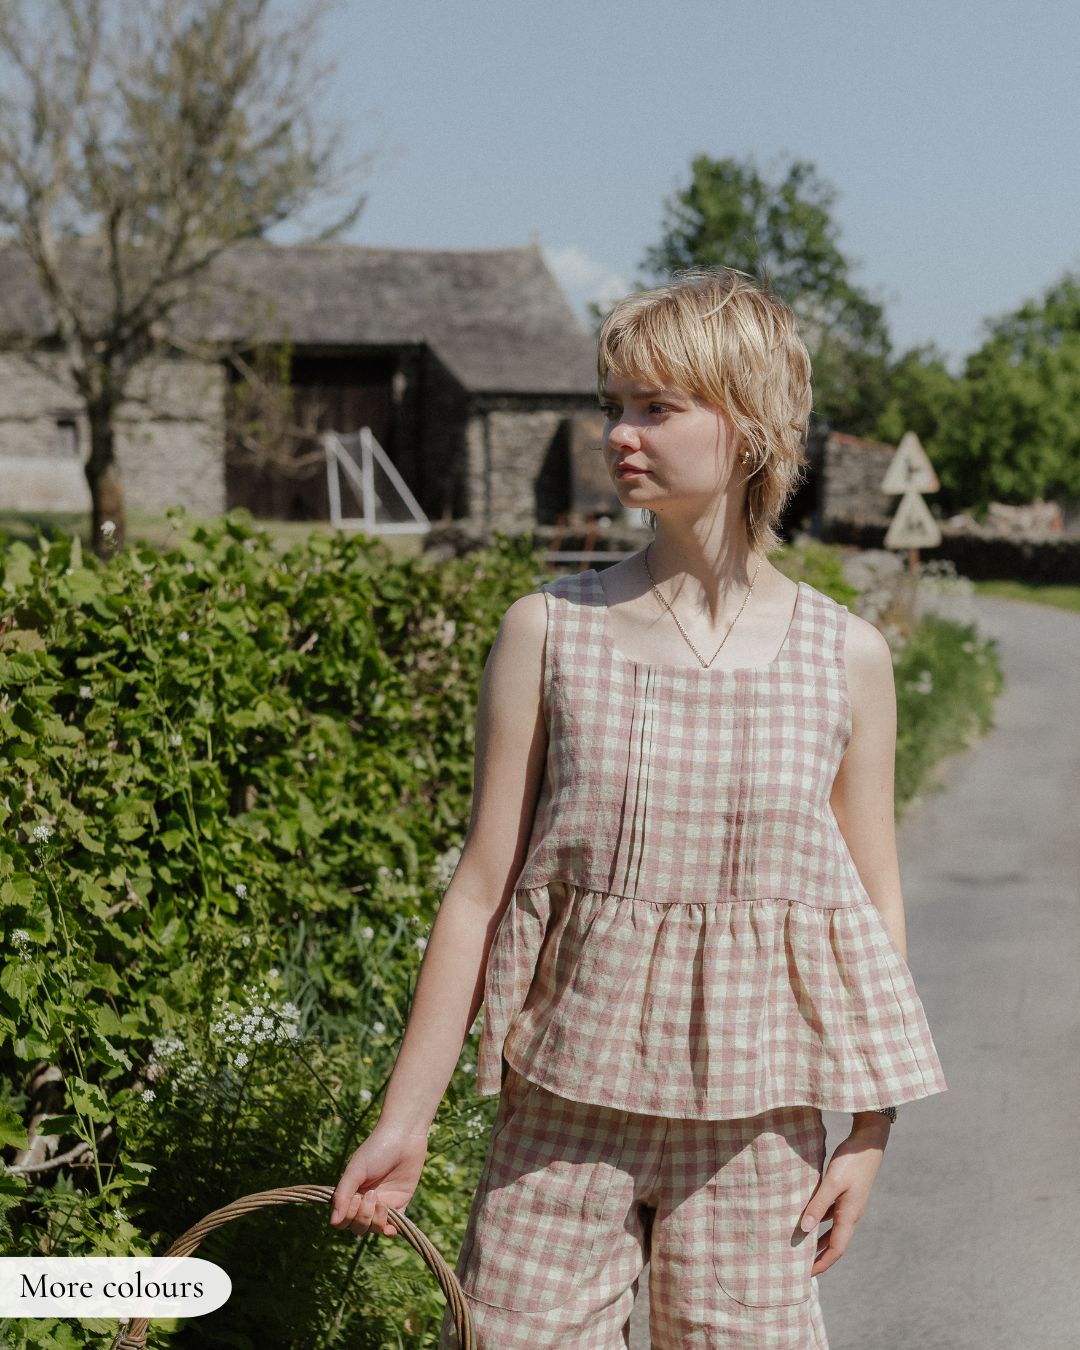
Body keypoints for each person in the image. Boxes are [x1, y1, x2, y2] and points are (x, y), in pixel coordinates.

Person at [330, 269, 947, 1348]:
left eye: (657, 407)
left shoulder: (847, 657)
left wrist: (869, 1127)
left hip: (762, 1131)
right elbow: (478, 893)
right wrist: (405, 1119)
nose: (621, 433)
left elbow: (869, 907)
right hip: (558, 1116)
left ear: (750, 425)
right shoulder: (549, 631)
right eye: (614, 403)